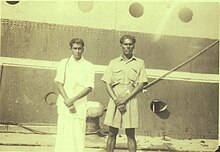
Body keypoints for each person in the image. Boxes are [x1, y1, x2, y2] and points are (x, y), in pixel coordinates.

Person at [101, 35, 148, 152]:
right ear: (121, 45)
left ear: (134, 46)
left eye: (130, 44)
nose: (128, 46)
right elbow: (107, 83)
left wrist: (125, 99)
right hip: (115, 100)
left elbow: (141, 84)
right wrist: (117, 100)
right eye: (125, 44)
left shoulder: (140, 63)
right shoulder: (113, 62)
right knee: (112, 134)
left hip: (130, 101)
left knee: (130, 135)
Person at [54, 38, 95, 152]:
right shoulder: (63, 63)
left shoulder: (89, 66)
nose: (77, 51)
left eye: (79, 48)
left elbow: (89, 87)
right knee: (63, 134)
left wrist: (73, 100)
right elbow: (59, 83)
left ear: (83, 49)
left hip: (80, 105)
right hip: (64, 105)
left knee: (78, 135)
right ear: (70, 49)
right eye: (75, 48)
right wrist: (68, 101)